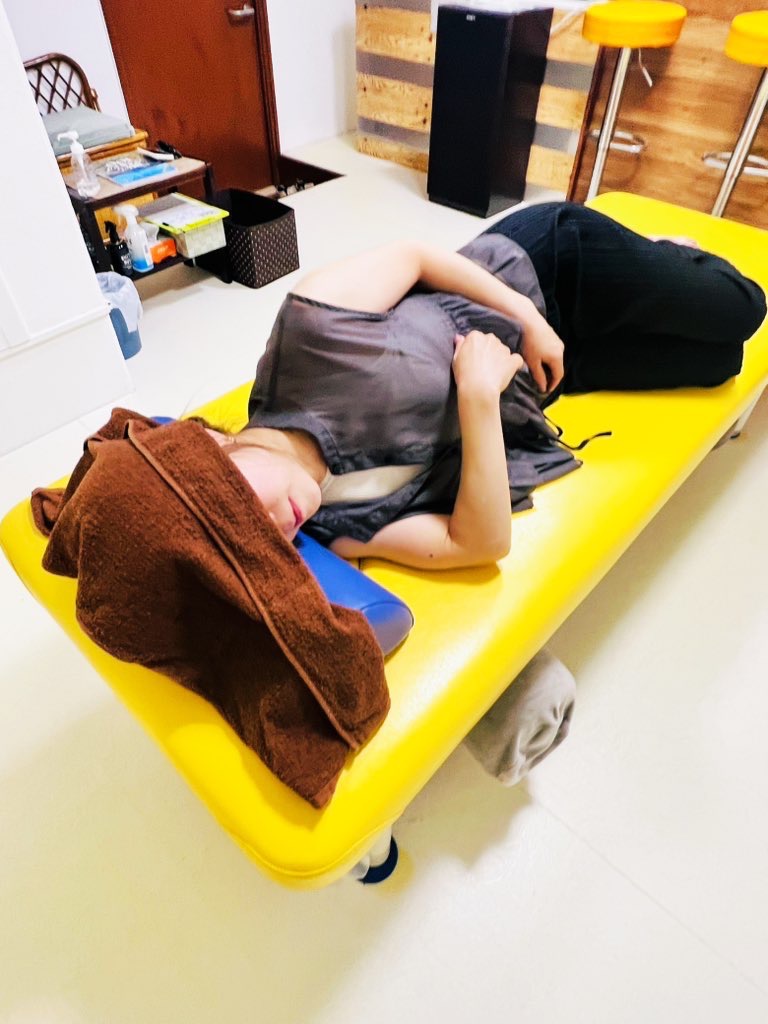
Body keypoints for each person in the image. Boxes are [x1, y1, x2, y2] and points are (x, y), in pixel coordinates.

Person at [207, 201, 766, 571]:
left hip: (539, 271)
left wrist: (530, 317)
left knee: (743, 309)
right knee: (721, 362)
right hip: (541, 383)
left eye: (243, 503)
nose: (276, 527)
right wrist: (477, 398)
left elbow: (416, 257)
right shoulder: (331, 527)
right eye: (257, 543)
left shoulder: (308, 334)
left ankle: (652, 248)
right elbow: (479, 544)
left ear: (216, 444)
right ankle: (647, 263)